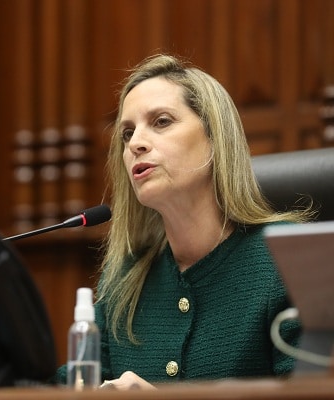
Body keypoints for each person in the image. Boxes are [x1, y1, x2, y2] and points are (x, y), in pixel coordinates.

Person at [54, 54, 314, 389]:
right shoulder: (124, 278)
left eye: (161, 122)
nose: (135, 144)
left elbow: (314, 392)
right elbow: (68, 386)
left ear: (214, 139)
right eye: (127, 133)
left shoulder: (287, 258)